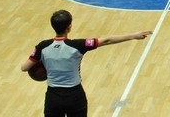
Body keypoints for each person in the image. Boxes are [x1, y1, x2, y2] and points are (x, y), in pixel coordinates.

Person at [20, 9, 151, 117]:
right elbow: (107, 40)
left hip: (53, 96)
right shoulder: (78, 45)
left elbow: (24, 67)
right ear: (69, 27)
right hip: (74, 96)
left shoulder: (42, 46)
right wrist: (133, 35)